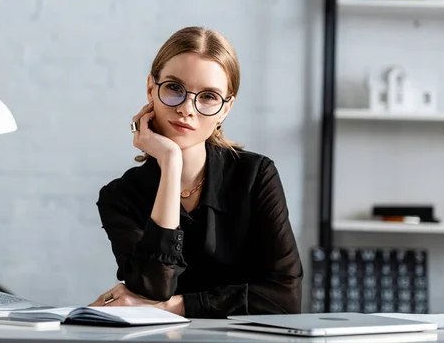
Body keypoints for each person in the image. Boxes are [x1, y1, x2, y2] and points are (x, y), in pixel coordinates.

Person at [89, 26, 303, 318]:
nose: (187, 108)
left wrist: (175, 306)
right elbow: (153, 286)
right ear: (151, 88)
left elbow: (285, 298)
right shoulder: (120, 196)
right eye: (175, 88)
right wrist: (170, 162)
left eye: (208, 97)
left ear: (226, 109)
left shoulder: (255, 175)